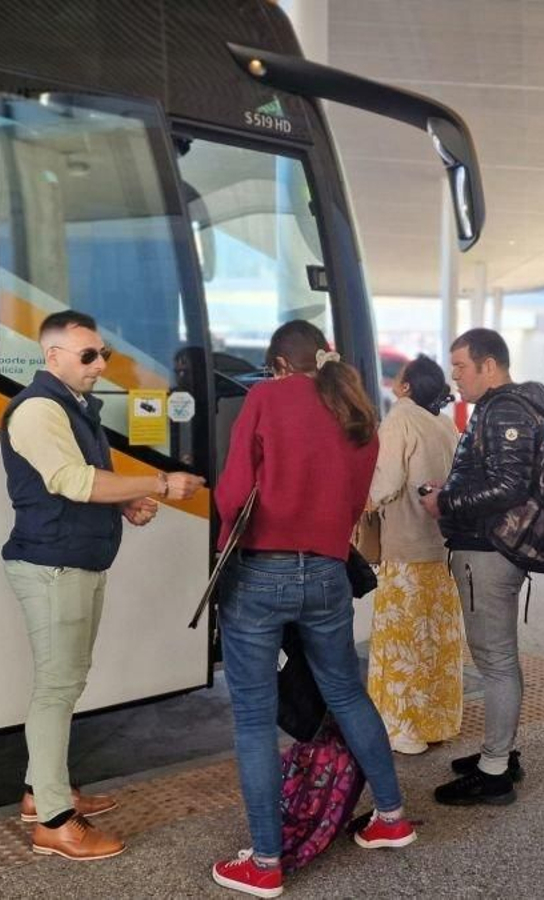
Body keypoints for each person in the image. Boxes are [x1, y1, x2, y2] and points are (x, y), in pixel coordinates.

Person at [211, 321, 416, 896]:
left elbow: (233, 492)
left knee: (253, 716)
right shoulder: (355, 408)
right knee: (346, 693)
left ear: (278, 363)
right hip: (327, 572)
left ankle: (266, 861)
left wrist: (227, 539)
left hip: (261, 571)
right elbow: (356, 502)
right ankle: (392, 818)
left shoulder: (266, 397)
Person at [0, 310, 204, 860]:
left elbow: (90, 481)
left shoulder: (75, 408)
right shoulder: (40, 409)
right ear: (54, 357)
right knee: (56, 687)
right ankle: (54, 822)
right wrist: (160, 481)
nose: (99, 365)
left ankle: (42, 791)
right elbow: (70, 481)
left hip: (74, 561)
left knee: (65, 682)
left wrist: (129, 500)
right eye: (88, 355)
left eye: (103, 355)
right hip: (53, 566)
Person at [420, 328, 544, 806]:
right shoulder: (522, 404)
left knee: (495, 662)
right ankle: (498, 753)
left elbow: (509, 485)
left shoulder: (503, 409)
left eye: (460, 366)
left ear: (489, 366)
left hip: (489, 549)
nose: (453, 375)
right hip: (499, 547)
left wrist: (446, 501)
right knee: (499, 658)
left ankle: (495, 769)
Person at [366, 355, 464, 755]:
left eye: (400, 376)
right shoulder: (445, 424)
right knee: (436, 640)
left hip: (406, 547)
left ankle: (403, 728)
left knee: (402, 640)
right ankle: (436, 721)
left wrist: (362, 503)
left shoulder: (401, 418)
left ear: (406, 387)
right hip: (440, 549)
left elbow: (385, 482)